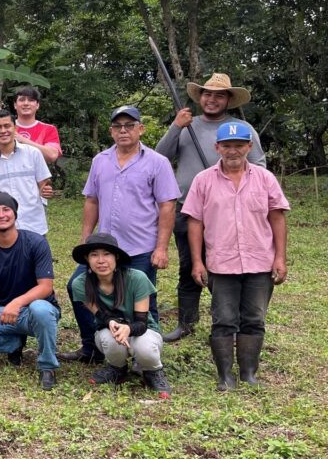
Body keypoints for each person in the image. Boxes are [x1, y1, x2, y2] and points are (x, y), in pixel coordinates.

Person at [59, 106, 179, 364]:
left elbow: (167, 205)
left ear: (140, 129)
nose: (123, 130)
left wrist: (162, 248)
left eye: (129, 125)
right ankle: (91, 346)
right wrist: (85, 238)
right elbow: (92, 200)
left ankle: (146, 356)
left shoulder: (157, 162)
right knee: (77, 287)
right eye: (118, 126)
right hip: (104, 247)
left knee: (145, 300)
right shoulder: (100, 160)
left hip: (140, 247)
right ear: (111, 131)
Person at [155, 73, 266, 342]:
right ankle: (187, 323)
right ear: (200, 97)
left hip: (227, 212)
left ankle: (230, 322)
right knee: (188, 267)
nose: (212, 99)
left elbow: (259, 166)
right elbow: (159, 158)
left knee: (225, 267)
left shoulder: (242, 128)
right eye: (207, 94)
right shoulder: (186, 125)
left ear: (228, 99)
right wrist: (175, 126)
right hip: (186, 208)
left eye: (219, 95)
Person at [182, 122, 289, 391]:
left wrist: (280, 258)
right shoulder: (203, 180)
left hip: (259, 261)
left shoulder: (265, 179)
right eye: (227, 145)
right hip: (221, 262)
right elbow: (195, 222)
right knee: (223, 319)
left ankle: (249, 373)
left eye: (239, 145)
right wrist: (197, 260)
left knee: (254, 318)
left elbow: (277, 218)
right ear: (217, 148)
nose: (233, 151)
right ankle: (225, 376)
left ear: (249, 147)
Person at [0, 193, 61, 390]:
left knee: (40, 308)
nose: (1, 215)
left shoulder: (35, 243)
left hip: (35, 310)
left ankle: (47, 366)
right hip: (4, 312)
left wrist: (17, 303)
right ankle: (14, 345)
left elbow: (45, 286)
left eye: (6, 210)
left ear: (15, 214)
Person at [69, 233, 172, 399]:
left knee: (144, 347)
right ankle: (117, 368)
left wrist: (128, 328)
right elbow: (100, 314)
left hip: (143, 329)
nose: (101, 260)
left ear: (116, 257)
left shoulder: (137, 278)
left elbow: (142, 323)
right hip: (110, 328)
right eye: (94, 255)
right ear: (87, 259)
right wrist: (112, 323)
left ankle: (152, 371)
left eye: (106, 254)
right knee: (110, 340)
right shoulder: (80, 283)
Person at [0, 86, 62, 164]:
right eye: (22, 100)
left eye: (31, 100)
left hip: (34, 183)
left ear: (37, 105)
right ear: (15, 105)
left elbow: (52, 156)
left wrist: (23, 140)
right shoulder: (4, 127)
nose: (26, 103)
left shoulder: (48, 129)